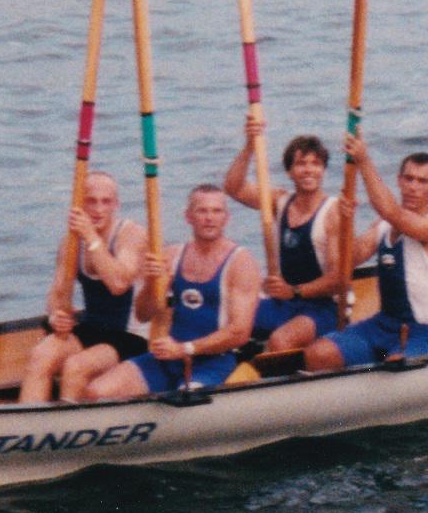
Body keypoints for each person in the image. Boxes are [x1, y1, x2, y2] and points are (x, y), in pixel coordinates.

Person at [86, 184, 260, 402]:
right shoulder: (171, 255)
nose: (209, 218)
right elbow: (143, 314)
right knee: (98, 392)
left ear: (227, 218)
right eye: (202, 211)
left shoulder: (241, 263)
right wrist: (151, 283)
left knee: (184, 400)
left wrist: (185, 348)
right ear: (188, 216)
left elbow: (240, 332)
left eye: (217, 211)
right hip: (168, 357)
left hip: (213, 362)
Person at [303, 138, 428, 372]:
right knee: (318, 354)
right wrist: (346, 222)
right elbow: (349, 259)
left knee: (394, 366)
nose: (414, 187)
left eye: (422, 181)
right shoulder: (382, 226)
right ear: (399, 181)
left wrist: (363, 160)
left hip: (422, 331)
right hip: (383, 326)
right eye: (409, 179)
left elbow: (391, 211)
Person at [20, 170, 149, 403]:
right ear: (80, 204)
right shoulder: (70, 242)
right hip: (93, 328)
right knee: (41, 354)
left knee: (76, 366)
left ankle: (70, 430)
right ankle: (26, 429)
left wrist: (90, 237)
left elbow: (118, 284)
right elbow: (58, 295)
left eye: (106, 202)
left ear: (116, 204)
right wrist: (56, 317)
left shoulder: (131, 235)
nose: (98, 209)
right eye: (91, 201)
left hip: (131, 336)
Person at [225, 129, 352, 359]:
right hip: (285, 303)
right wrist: (250, 146)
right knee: (228, 318)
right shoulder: (279, 202)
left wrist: (293, 291)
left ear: (323, 170)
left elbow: (338, 280)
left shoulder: (333, 213)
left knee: (282, 339)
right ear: (290, 171)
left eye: (315, 163)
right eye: (301, 164)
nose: (309, 170)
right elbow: (234, 188)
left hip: (325, 308)